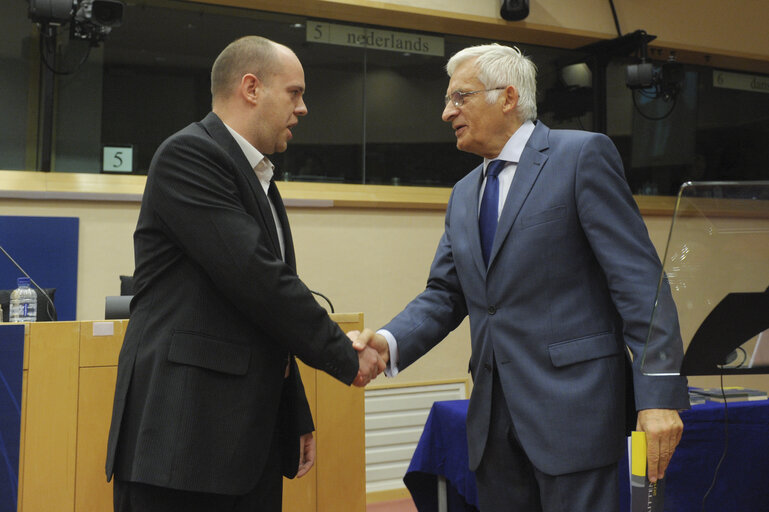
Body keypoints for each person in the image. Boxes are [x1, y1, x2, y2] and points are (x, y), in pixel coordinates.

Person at [353, 43, 689, 511]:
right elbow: (446, 294)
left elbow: (640, 285)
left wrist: (658, 395)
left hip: (575, 416)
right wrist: (388, 342)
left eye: (460, 97)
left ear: (508, 97)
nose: (447, 112)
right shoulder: (464, 193)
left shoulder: (581, 156)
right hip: (494, 426)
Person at [105, 36, 384, 512]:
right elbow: (258, 280)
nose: (303, 108)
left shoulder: (258, 178)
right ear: (251, 88)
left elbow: (261, 311)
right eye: (294, 93)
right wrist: (344, 354)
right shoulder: (189, 155)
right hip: (182, 445)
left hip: (240, 446)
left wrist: (292, 412)